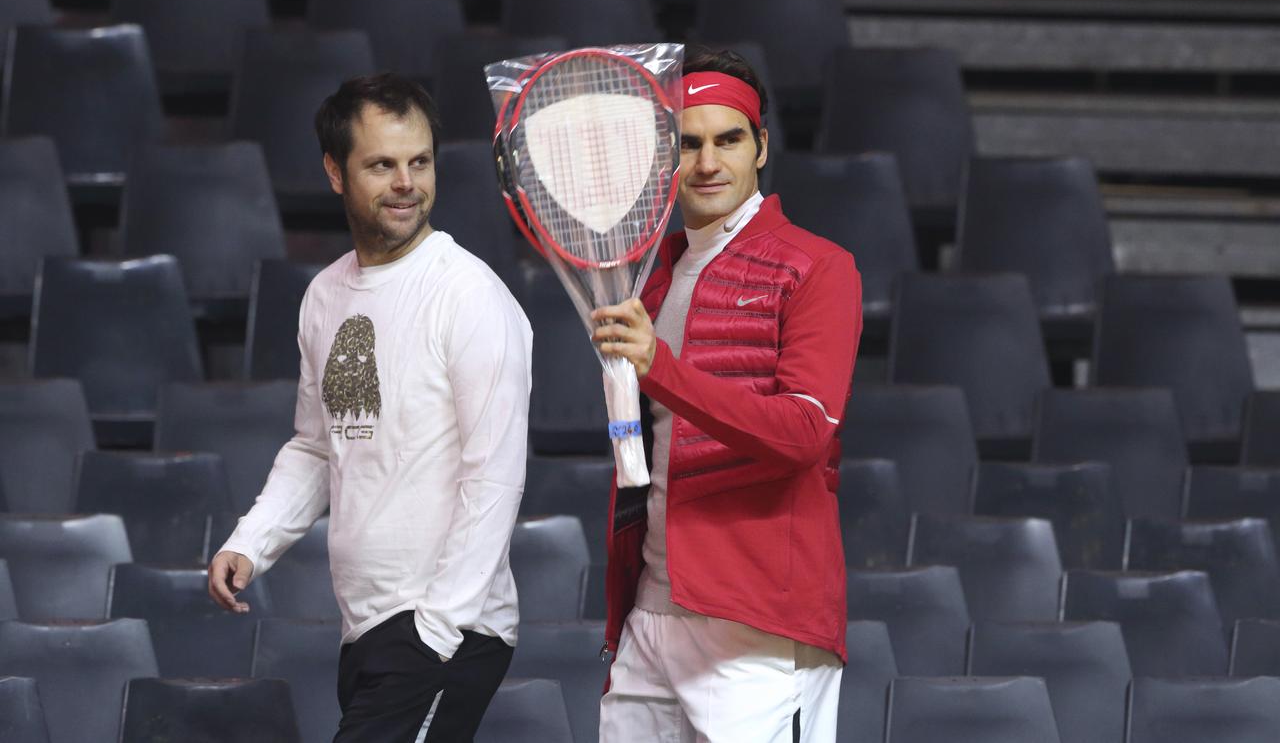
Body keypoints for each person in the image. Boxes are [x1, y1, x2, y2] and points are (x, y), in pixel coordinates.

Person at [207, 73, 532, 743]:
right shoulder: (326, 296)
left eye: (419, 161)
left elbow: (494, 477)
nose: (406, 182)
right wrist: (251, 541)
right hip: (369, 630)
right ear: (335, 172)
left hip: (446, 630)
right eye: (382, 165)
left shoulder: (470, 295)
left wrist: (436, 632)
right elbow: (316, 447)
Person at [591, 47, 862, 742]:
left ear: (761, 146)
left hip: (758, 629)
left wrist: (662, 367)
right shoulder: (654, 279)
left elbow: (804, 434)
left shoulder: (820, 267)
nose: (707, 162)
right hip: (649, 617)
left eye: (728, 139)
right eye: (688, 143)